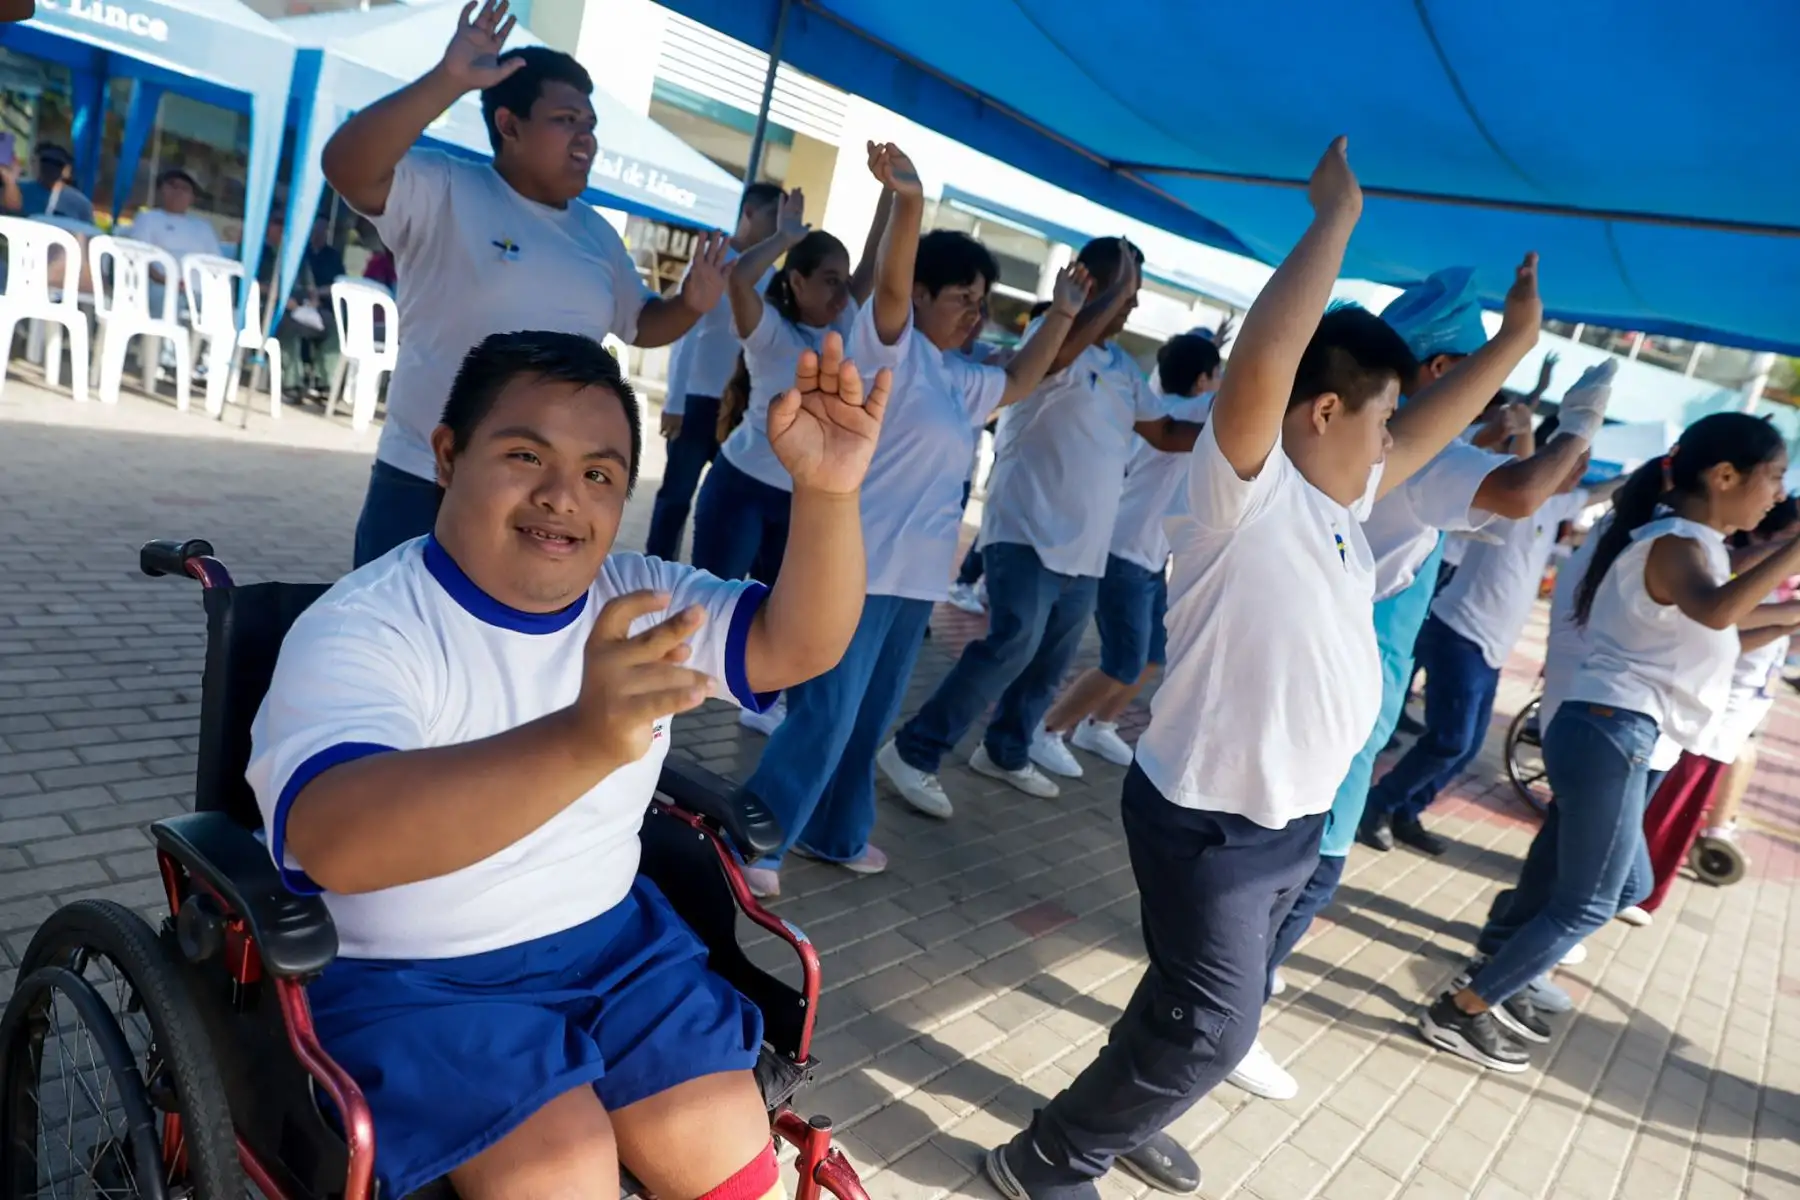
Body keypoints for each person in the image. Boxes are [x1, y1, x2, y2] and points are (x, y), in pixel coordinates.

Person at [980, 138, 1541, 1200]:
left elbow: (1432, 422)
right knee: (1214, 1029)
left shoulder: (1342, 507)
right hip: (1209, 823)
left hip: (1283, 819)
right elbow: (1262, 373)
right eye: (1377, 418)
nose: (1391, 442)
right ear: (1325, 412)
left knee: (1182, 1008)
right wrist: (1332, 225)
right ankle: (1049, 1158)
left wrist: (1512, 346)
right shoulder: (1246, 496)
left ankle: (1125, 1107)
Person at [248, 327, 887, 1200]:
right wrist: (580, 741)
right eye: (524, 455)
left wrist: (826, 494)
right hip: (417, 982)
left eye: (599, 475)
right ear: (446, 455)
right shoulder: (366, 629)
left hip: (611, 948)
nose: (562, 497)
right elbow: (335, 841)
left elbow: (796, 643)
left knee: (735, 1168)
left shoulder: (637, 600)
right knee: (567, 1173)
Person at [736, 144, 1091, 897]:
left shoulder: (961, 380)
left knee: (867, 720)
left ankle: (836, 833)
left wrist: (1060, 315)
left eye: (981, 300)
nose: (974, 312)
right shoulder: (885, 345)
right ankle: (753, 840)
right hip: (851, 573)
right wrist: (910, 205)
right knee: (824, 716)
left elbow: (1025, 377)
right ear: (921, 297)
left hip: (912, 582)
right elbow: (891, 279)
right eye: (961, 296)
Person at [1424, 413, 1800, 1072]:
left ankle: (1504, 972)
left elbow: (1725, 629)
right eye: (1773, 477)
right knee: (1594, 896)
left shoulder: (1695, 544)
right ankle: (1462, 1008)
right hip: (1613, 728)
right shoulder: (1678, 543)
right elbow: (1718, 613)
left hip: (1614, 729)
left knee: (1624, 882)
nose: (1777, 493)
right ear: (1723, 475)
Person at [324, 0, 729, 568]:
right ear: (509, 125)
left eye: (590, 126)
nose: (586, 140)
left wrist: (690, 304)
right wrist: (449, 80)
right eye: (566, 121)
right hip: (424, 483)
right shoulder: (445, 189)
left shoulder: (595, 233)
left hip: (545, 503)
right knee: (392, 649)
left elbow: (640, 324)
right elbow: (346, 164)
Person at [878, 236, 1185, 815]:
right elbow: (1057, 358)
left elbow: (1166, 433)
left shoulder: (1122, 367)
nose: (1133, 307)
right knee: (1011, 644)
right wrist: (1092, 302)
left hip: (1086, 549)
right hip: (1025, 530)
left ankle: (1005, 750)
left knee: (1047, 661)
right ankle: (914, 750)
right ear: (1090, 286)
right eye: (1127, 293)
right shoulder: (1049, 339)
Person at [1359, 414, 1593, 840]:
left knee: (1465, 747)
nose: (1579, 471)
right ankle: (1378, 807)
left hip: (1490, 646)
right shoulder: (1514, 494)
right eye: (1573, 460)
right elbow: (1525, 470)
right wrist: (1530, 427)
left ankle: (1407, 811)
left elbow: (1595, 494)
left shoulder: (1557, 504)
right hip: (1459, 632)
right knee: (1451, 739)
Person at [1035, 334, 1222, 768]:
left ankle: (1097, 725)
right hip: (1125, 557)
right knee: (1122, 663)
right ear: (1200, 382)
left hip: (1150, 560)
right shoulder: (1183, 414)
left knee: (1152, 658)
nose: (1222, 382)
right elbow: (1231, 403)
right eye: (1217, 375)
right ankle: (1046, 730)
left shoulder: (1168, 405)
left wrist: (1209, 344)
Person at [1635, 495, 1800, 916]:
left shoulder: (1768, 578)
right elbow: (1726, 619)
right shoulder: (1723, 562)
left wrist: (1787, 620)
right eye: (1788, 537)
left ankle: (1641, 894)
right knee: (1664, 812)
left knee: (1680, 817)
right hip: (1705, 713)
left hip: (1733, 718)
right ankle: (1630, 894)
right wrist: (1785, 613)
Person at [646, 184, 785, 562]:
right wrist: (674, 401)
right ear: (750, 213)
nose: (779, 227)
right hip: (698, 399)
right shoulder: (714, 261)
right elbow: (685, 335)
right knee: (675, 496)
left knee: (729, 497)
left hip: (739, 405)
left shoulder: (773, 277)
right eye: (775, 215)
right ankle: (654, 570)